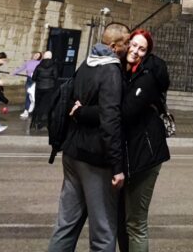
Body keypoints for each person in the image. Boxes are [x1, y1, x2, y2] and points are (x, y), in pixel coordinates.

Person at [73, 28, 171, 252]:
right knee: (120, 220)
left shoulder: (146, 78)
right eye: (134, 45)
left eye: (142, 49)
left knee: (135, 223)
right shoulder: (124, 72)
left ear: (147, 54)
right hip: (129, 157)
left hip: (145, 158)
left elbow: (121, 112)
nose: (136, 51)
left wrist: (82, 112)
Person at [47, 22, 130, 252]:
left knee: (66, 225)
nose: (129, 46)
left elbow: (76, 103)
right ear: (114, 47)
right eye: (126, 42)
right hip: (95, 158)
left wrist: (84, 113)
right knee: (103, 234)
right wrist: (117, 166)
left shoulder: (85, 64)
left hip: (72, 153)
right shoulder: (111, 71)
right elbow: (110, 120)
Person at [31, 51, 60, 131]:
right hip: (50, 88)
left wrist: (39, 80)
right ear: (51, 57)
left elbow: (33, 77)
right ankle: (45, 123)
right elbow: (56, 76)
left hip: (39, 88)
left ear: (44, 57)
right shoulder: (54, 65)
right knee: (47, 105)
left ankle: (35, 122)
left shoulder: (39, 65)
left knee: (38, 105)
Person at [13, 50, 42, 119]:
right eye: (35, 54)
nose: (36, 56)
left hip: (35, 81)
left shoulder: (40, 63)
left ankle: (33, 109)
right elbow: (22, 68)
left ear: (39, 57)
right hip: (29, 80)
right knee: (28, 95)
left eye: (38, 55)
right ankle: (26, 111)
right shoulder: (29, 62)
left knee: (33, 96)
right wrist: (14, 72)